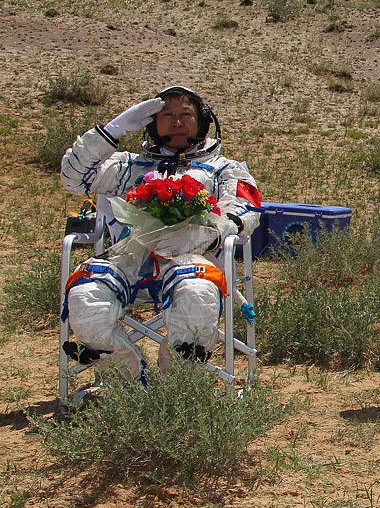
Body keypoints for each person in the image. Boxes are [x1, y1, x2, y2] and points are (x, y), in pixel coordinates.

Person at [60, 86, 262, 384]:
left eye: (185, 115)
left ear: (202, 121)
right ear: (152, 123)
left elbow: (247, 208)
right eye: (167, 115)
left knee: (197, 297)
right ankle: (128, 384)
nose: (177, 122)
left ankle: (177, 386)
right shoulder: (128, 166)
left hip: (194, 259)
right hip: (129, 260)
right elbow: (73, 178)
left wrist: (209, 234)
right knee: (86, 297)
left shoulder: (222, 170)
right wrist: (113, 130)